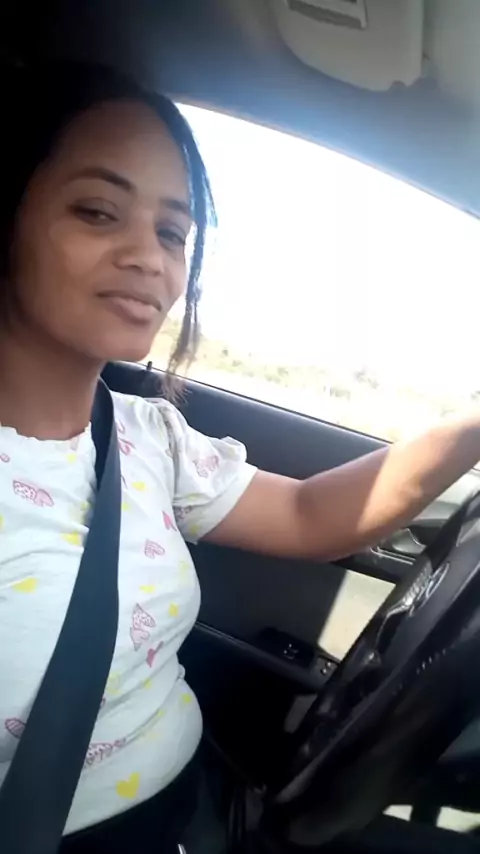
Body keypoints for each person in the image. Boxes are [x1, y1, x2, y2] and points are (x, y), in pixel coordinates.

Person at [1, 58, 480, 853]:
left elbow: (308, 515)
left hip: (202, 804)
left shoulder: (148, 437)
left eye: (172, 233)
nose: (150, 258)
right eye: (97, 211)